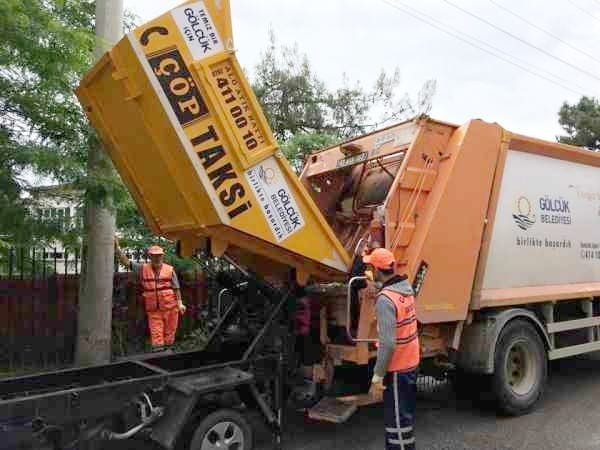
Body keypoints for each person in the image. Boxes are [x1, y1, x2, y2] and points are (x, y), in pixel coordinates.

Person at [363, 248, 419, 450]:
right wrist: (378, 287)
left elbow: (388, 344)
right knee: (404, 419)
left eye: (371, 267)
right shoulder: (405, 289)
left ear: (377, 270)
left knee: (397, 425)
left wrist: (377, 376)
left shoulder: (385, 300)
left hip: (396, 369)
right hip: (410, 363)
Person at [114, 237, 186, 351]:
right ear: (150, 256)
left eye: (159, 255)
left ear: (162, 256)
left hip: (171, 309)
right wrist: (117, 249)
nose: (157, 258)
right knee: (157, 338)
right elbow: (126, 263)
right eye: (154, 256)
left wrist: (180, 303)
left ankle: (169, 354)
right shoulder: (143, 268)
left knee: (170, 335)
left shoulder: (169, 270)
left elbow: (176, 287)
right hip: (154, 311)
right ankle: (159, 355)